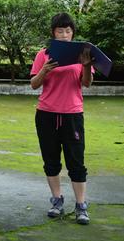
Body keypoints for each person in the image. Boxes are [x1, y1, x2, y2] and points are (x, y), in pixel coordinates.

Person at [30, 13, 94, 225]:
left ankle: (81, 205)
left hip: (72, 114)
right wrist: (45, 70)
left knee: (76, 161)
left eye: (68, 31)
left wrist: (85, 65)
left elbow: (87, 83)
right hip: (46, 114)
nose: (65, 35)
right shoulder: (44, 54)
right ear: (53, 33)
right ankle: (57, 200)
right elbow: (34, 84)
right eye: (60, 31)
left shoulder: (81, 55)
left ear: (73, 33)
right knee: (51, 160)